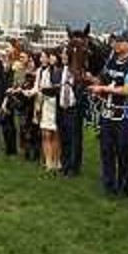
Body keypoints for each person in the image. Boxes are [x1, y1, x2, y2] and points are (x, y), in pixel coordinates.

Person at [89, 31, 128, 196]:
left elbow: (127, 90)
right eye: (115, 41)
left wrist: (103, 88)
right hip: (108, 113)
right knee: (106, 150)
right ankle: (109, 185)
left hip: (125, 116)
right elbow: (102, 78)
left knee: (123, 151)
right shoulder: (110, 61)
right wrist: (94, 83)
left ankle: (125, 186)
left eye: (120, 41)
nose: (116, 44)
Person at [58, 48, 84, 177]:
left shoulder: (77, 72)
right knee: (64, 138)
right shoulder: (60, 70)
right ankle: (65, 164)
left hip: (74, 109)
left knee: (74, 138)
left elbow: (80, 91)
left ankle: (74, 167)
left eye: (64, 54)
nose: (62, 56)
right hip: (62, 108)